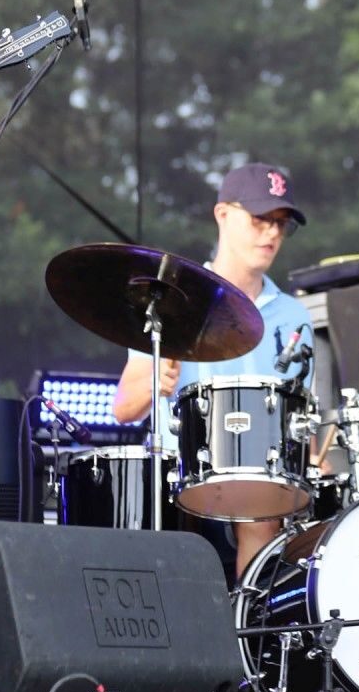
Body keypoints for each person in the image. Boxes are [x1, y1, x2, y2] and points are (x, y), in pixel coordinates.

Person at [112, 162, 313, 578]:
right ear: (223, 214)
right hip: (178, 474)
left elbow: (301, 427)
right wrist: (154, 382)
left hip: (259, 488)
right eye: (260, 219)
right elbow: (124, 409)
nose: (272, 233)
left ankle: (249, 616)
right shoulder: (174, 298)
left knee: (265, 502)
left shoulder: (295, 315)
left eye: (282, 224)